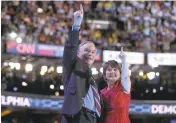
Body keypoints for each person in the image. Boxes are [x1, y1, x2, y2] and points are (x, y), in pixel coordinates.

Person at [61, 4, 102, 123]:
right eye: (87, 50)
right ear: (78, 52)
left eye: (93, 51)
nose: (90, 53)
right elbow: (70, 50)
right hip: (78, 117)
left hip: (92, 118)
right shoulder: (72, 66)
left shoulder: (91, 78)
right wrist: (76, 26)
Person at [100, 47, 131, 123]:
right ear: (104, 75)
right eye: (109, 70)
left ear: (120, 74)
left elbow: (125, 77)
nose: (112, 72)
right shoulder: (101, 92)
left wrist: (123, 60)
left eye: (115, 69)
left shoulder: (124, 87)